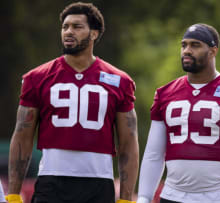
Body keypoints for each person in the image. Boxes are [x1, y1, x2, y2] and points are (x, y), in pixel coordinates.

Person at [7, 2, 139, 203]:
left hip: (99, 184)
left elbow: (128, 143)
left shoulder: (119, 81)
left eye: (77, 27)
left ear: (94, 33)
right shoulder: (37, 77)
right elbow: (22, 136)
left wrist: (127, 198)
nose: (69, 32)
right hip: (52, 183)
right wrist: (14, 193)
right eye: (65, 27)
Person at [137, 23, 220, 203]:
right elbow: (154, 154)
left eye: (195, 45)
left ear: (213, 51)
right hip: (172, 195)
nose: (187, 50)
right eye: (184, 45)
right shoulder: (165, 93)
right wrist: (143, 197)